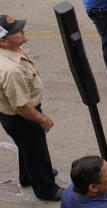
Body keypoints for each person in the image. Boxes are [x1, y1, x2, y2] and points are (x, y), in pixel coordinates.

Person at [0, 15, 63, 201]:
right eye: (16, 32)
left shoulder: (11, 49)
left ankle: (27, 176)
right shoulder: (11, 70)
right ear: (3, 42)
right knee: (36, 150)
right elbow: (21, 107)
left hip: (16, 115)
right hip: (22, 117)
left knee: (26, 147)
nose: (22, 31)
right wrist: (43, 119)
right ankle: (46, 188)